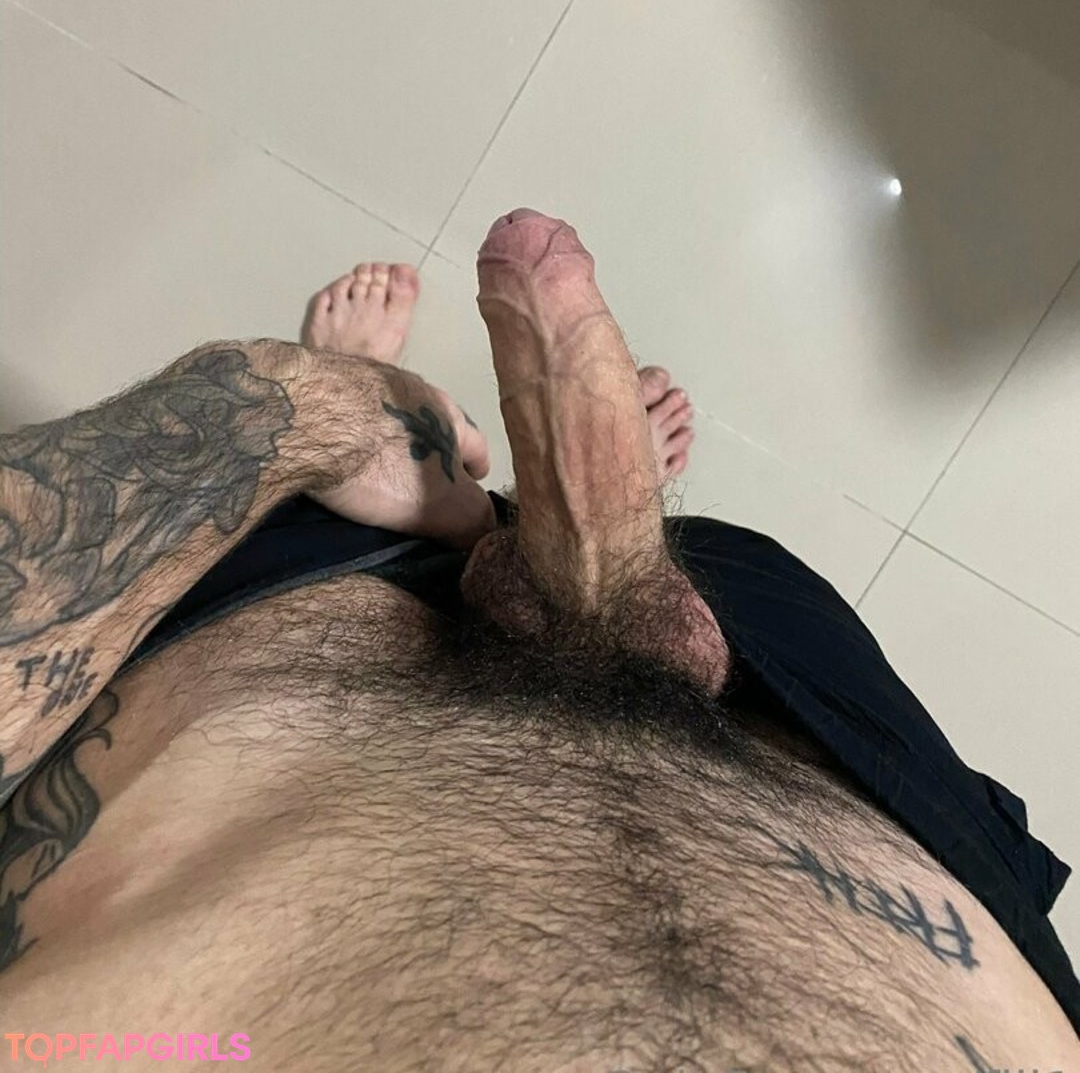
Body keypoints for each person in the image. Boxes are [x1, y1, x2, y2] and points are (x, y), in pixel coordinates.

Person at [0, 208, 1077, 1072]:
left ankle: (344, 421)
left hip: (290, 685)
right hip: (845, 790)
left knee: (273, 508)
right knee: (746, 586)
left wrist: (289, 406)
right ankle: (605, 574)